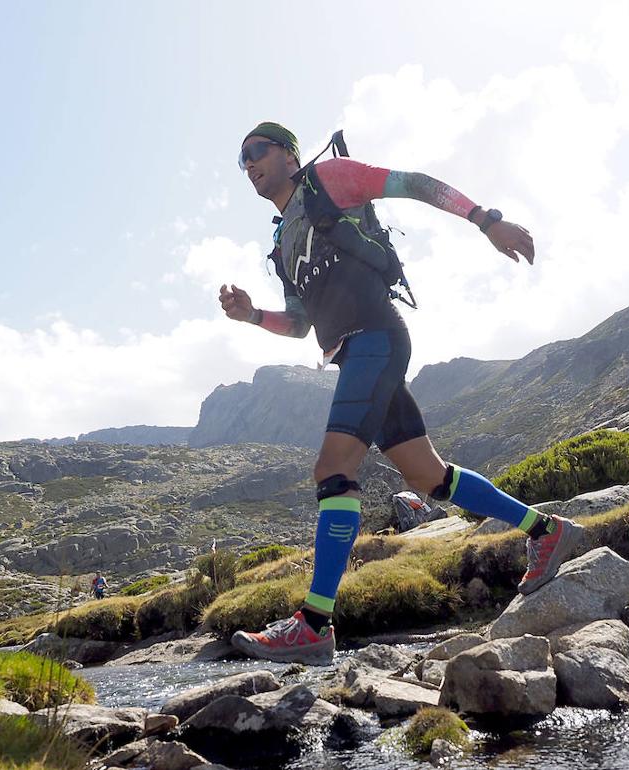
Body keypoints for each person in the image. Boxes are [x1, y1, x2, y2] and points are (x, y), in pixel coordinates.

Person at [220, 122, 586, 665]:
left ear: (289, 154)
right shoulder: (283, 239)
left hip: (377, 337)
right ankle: (547, 530)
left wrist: (487, 220)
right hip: (355, 349)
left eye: (258, 151)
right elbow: (300, 323)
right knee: (428, 476)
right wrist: (252, 316)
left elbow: (411, 183)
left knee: (332, 469)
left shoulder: (329, 179)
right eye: (241, 159)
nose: (249, 164)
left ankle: (315, 623)